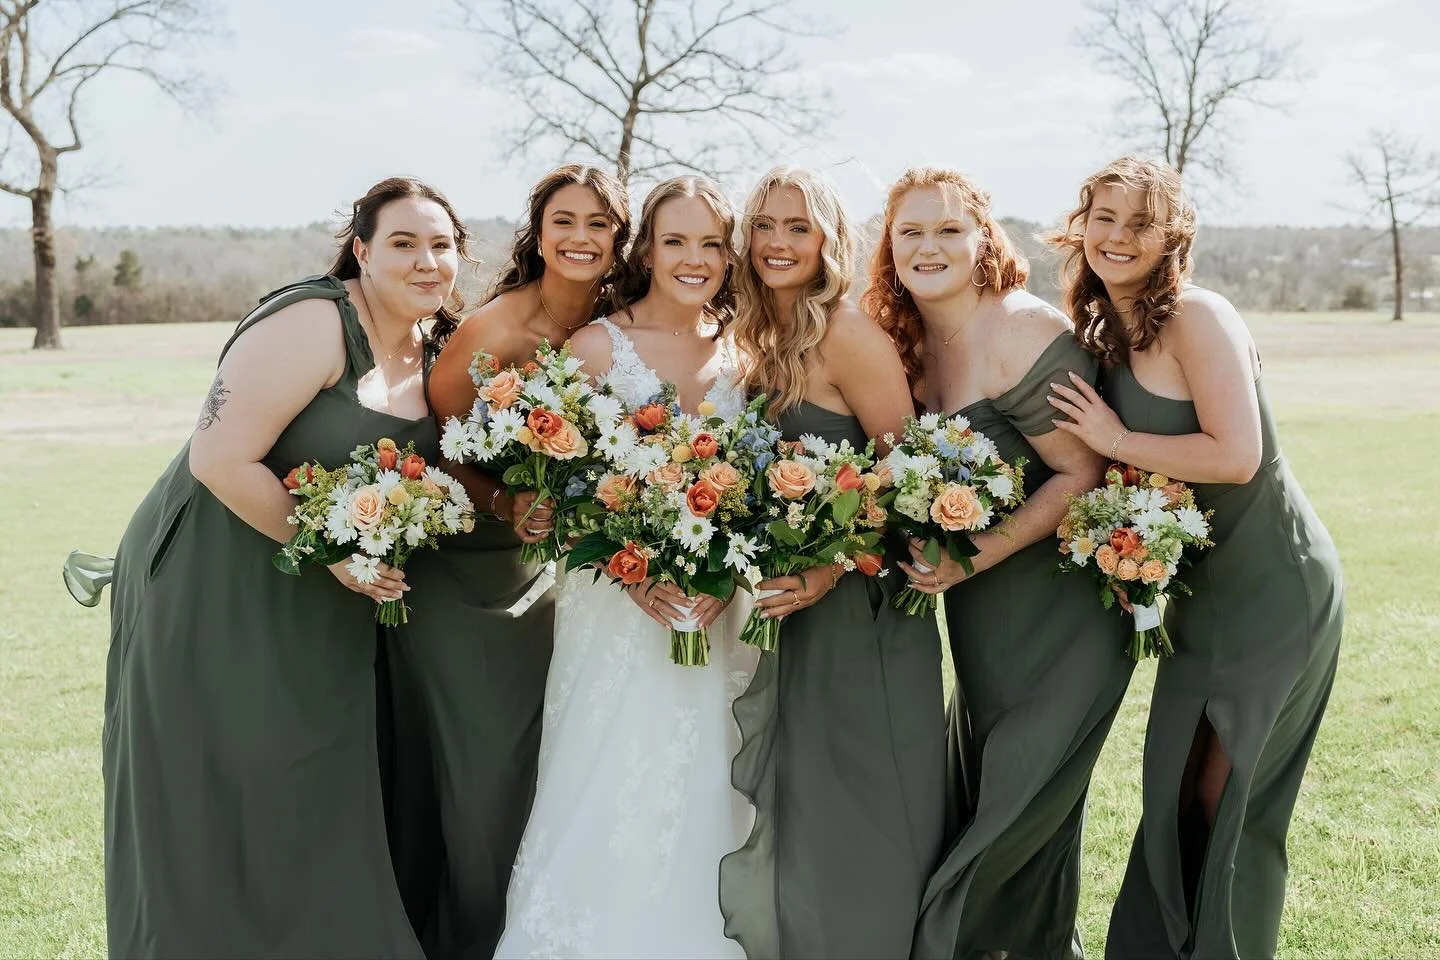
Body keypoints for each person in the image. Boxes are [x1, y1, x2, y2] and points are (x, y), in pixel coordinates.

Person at [102, 176, 469, 957]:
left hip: (321, 596)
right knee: (221, 783)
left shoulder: (437, 344)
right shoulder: (315, 321)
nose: (426, 261)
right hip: (216, 576)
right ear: (363, 250)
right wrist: (336, 552)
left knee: (308, 786)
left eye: (442, 245)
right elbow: (219, 458)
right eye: (403, 242)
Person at [1045, 155, 1343, 960]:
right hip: (1197, 600)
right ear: (1082, 227)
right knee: (1173, 791)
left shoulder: (1198, 316)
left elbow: (1238, 456)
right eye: (1103, 218)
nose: (1116, 237)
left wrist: (1114, 438)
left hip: (1275, 585)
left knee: (1224, 801)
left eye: (1139, 223)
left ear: (1172, 235)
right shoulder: (1105, 330)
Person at [863, 165, 1136, 960]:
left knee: (1014, 817)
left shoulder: (1022, 329)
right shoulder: (906, 344)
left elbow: (1082, 474)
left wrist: (970, 556)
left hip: (1062, 616)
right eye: (910, 230)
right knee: (1007, 815)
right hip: (981, 624)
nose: (929, 245)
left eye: (949, 228)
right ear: (888, 245)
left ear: (984, 239)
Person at [493, 176, 756, 959]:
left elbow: (756, 489)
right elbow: (557, 491)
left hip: (714, 608)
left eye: (712, 243)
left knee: (711, 769)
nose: (695, 258)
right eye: (676, 240)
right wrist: (636, 572)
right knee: (606, 770)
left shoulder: (746, 350)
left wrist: (722, 577)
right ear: (645, 249)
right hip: (616, 606)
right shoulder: (598, 348)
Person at [399, 164, 630, 957]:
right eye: (565, 221)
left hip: (553, 572)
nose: (581, 238)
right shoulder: (495, 328)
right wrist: (506, 504)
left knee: (546, 753)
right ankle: (466, 932)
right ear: (540, 232)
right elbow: (434, 448)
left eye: (599, 223)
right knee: (483, 760)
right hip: (466, 563)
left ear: (618, 238)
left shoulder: (620, 325)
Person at [718, 166, 947, 960]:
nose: (779, 243)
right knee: (804, 798)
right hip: (787, 611)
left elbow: (904, 478)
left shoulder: (847, 334)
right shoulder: (751, 333)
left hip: (859, 605)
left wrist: (831, 567)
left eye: (799, 227)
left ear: (827, 241)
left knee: (867, 795)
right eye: (766, 226)